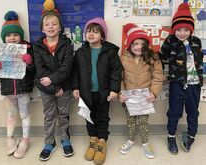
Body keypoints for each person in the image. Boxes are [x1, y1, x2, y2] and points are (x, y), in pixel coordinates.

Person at [72, 17, 122, 165]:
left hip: (104, 93)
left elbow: (116, 72)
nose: (91, 34)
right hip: (86, 93)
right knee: (89, 117)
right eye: (88, 31)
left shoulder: (110, 52)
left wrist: (114, 90)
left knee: (102, 117)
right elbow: (75, 72)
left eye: (95, 31)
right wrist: (75, 87)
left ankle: (102, 142)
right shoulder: (81, 52)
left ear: (102, 35)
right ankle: (92, 139)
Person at [0, 11, 36, 159]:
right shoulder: (0, 51)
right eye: (8, 35)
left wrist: (29, 63)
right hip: (8, 90)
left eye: (15, 34)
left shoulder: (28, 49)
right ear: (4, 37)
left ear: (20, 36)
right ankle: (10, 138)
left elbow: (35, 71)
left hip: (23, 90)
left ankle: (25, 140)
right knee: (11, 115)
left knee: (25, 114)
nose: (12, 38)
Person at [159, 3, 204, 155]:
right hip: (177, 84)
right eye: (178, 29)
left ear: (191, 30)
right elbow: (160, 57)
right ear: (174, 29)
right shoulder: (170, 41)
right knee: (174, 112)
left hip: (194, 85)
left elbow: (199, 60)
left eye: (186, 30)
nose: (182, 33)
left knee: (193, 112)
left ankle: (191, 136)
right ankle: (171, 137)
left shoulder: (196, 41)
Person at [33, 0, 74, 161]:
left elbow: (66, 68)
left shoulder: (67, 44)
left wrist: (57, 84)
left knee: (63, 114)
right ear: (42, 28)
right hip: (46, 89)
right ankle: (50, 142)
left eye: (54, 24)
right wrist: (52, 87)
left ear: (60, 27)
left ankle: (65, 139)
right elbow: (40, 69)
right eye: (47, 24)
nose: (50, 27)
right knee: (49, 116)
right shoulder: (37, 46)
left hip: (64, 87)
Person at [119, 23, 165, 159]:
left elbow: (158, 76)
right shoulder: (123, 58)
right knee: (131, 120)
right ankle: (130, 140)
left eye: (142, 43)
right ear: (130, 45)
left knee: (143, 122)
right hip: (129, 98)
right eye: (135, 44)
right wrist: (121, 92)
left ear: (146, 45)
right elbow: (118, 77)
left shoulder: (153, 58)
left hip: (145, 98)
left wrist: (154, 92)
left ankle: (145, 142)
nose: (139, 47)